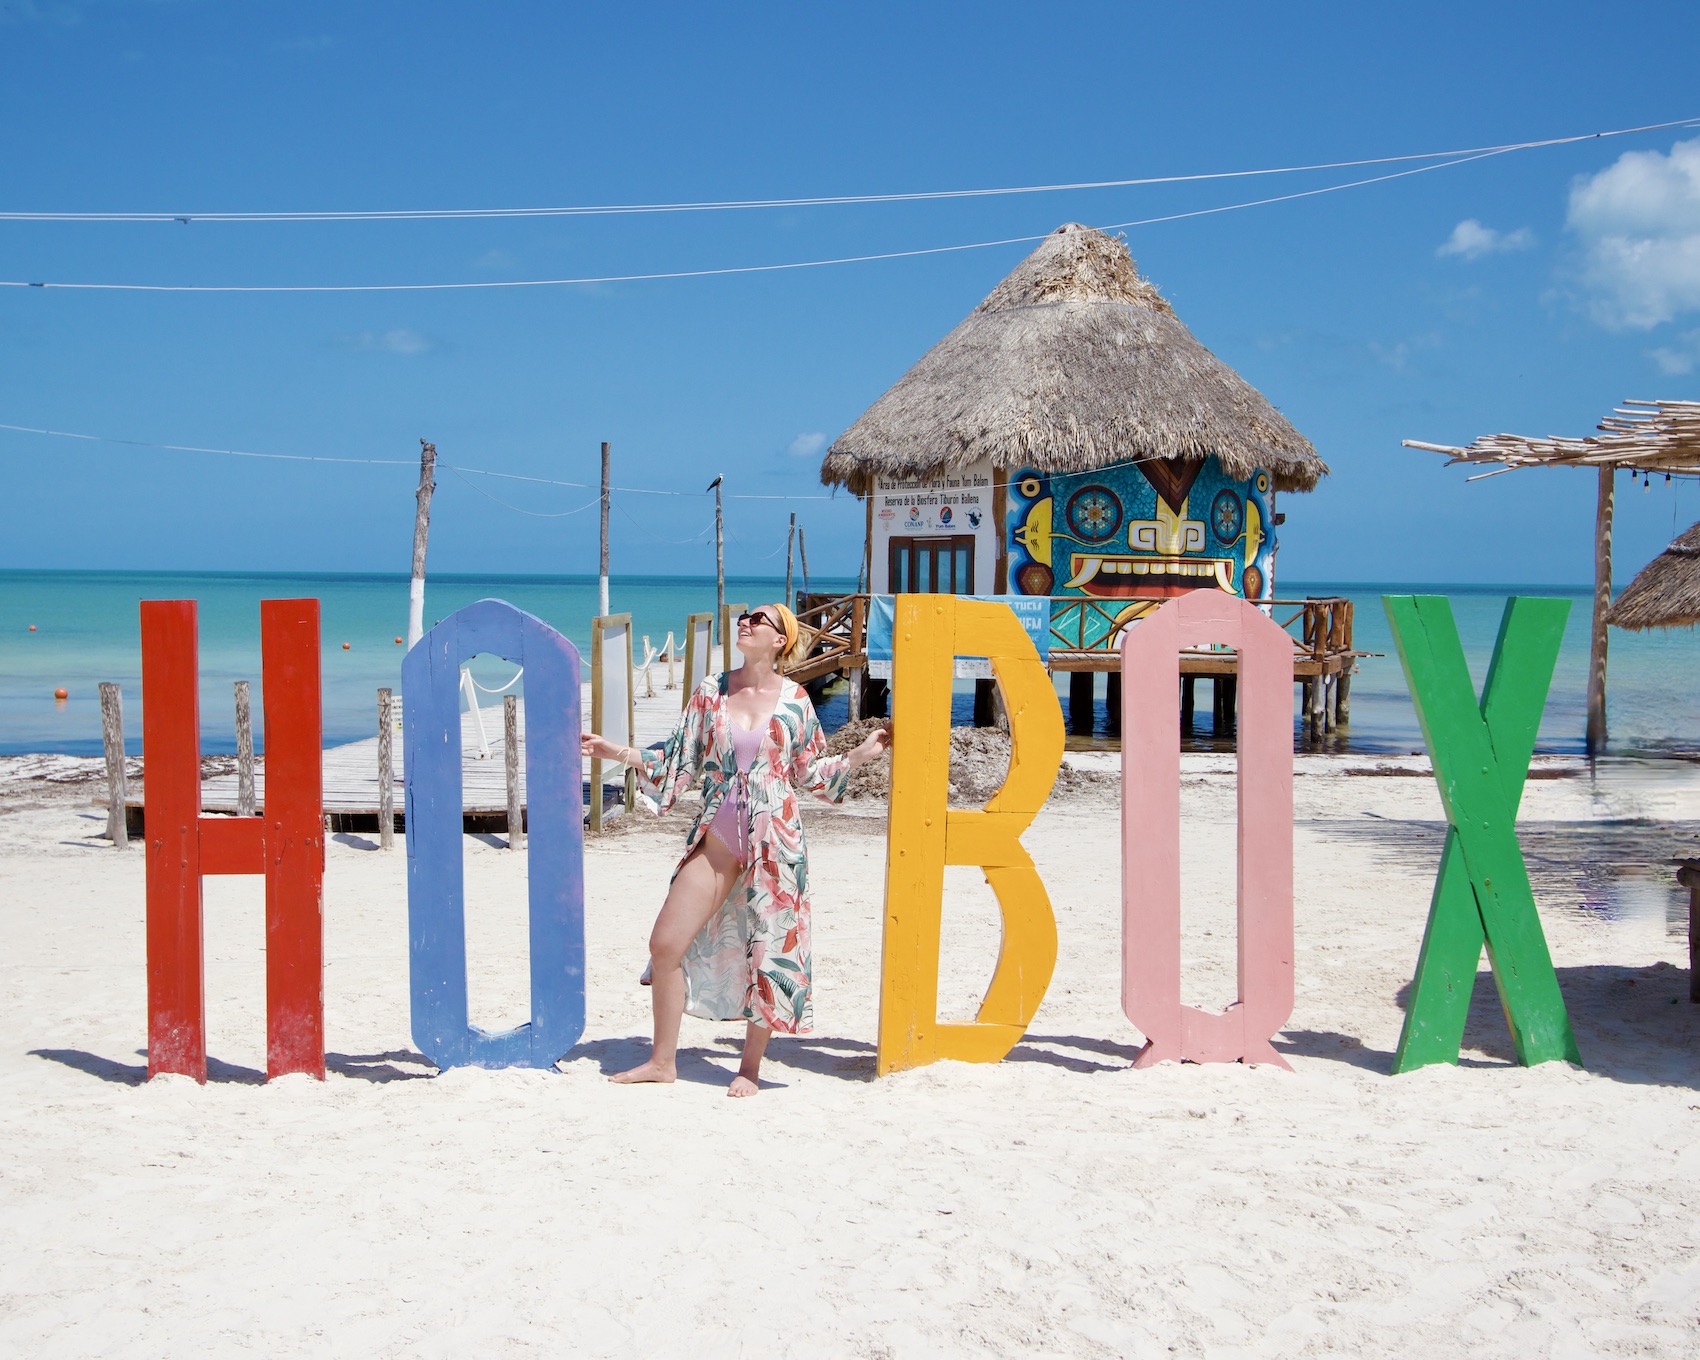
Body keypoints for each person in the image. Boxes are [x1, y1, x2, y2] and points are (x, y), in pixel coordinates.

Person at [580, 602, 892, 1097]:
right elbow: (678, 756)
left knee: (770, 948)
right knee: (665, 944)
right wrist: (614, 751)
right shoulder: (711, 691)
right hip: (720, 832)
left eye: (759, 619)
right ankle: (663, 1061)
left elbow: (810, 773)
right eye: (744, 616)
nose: (746, 622)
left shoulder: (796, 701)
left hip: (777, 838)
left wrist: (857, 755)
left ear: (780, 639)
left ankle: (749, 1066)